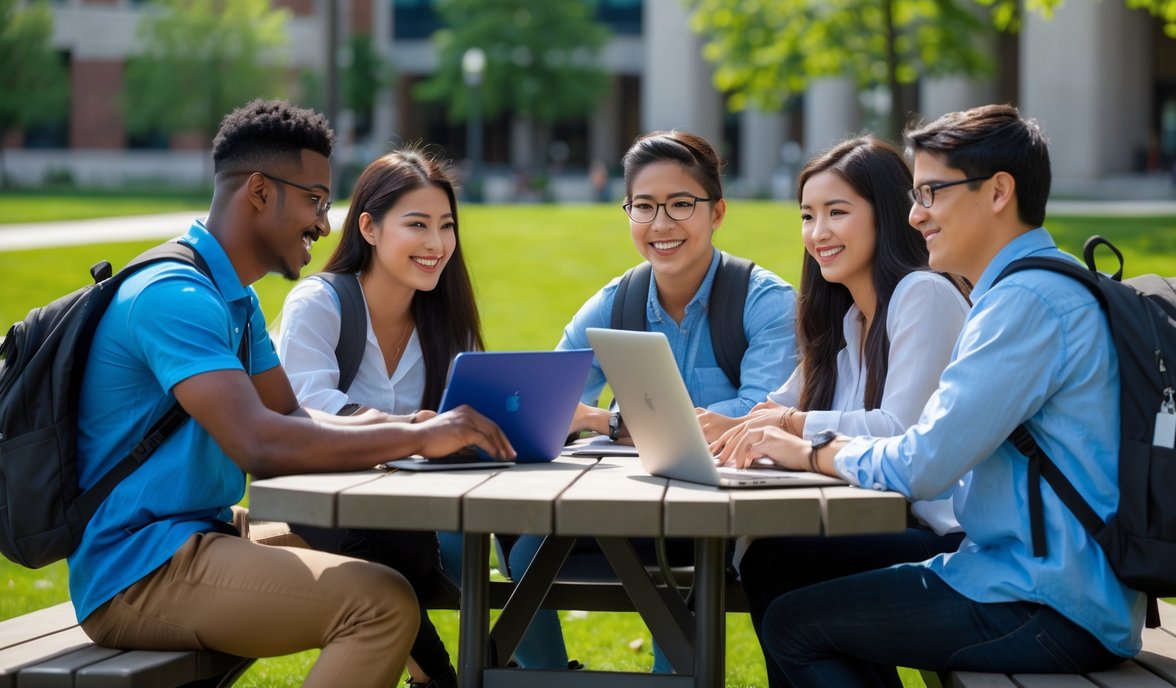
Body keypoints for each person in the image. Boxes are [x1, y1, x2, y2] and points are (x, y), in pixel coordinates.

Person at [69, 99, 514, 688]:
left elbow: (292, 414)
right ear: (259, 191)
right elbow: (259, 443)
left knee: (367, 554)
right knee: (378, 604)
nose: (325, 224)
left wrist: (414, 429)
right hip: (138, 566)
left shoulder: (235, 300)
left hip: (203, 534)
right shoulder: (173, 297)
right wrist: (420, 435)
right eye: (315, 200)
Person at [725, 105, 1145, 685]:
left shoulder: (1028, 304)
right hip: (1025, 577)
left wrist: (812, 449)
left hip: (1048, 602)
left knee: (795, 625)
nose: (916, 216)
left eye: (930, 194)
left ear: (999, 192)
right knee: (784, 571)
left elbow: (923, 462)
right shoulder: (1025, 290)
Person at [705, 136, 970, 688]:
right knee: (766, 559)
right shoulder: (847, 322)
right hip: (883, 522)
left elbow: (900, 429)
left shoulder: (924, 295)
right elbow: (774, 408)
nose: (817, 233)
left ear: (888, 214)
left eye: (836, 212)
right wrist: (717, 427)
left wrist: (788, 427)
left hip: (945, 537)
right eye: (807, 216)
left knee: (772, 561)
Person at [546, 130, 799, 673]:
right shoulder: (618, 301)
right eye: (643, 207)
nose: (660, 225)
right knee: (523, 550)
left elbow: (760, 417)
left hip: (731, 515)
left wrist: (608, 422)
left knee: (685, 572)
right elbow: (551, 393)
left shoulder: (766, 303)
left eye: (681, 204)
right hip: (635, 507)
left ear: (717, 212)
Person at [276, 148, 484, 687]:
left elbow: (463, 413)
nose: (437, 244)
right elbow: (305, 408)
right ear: (368, 227)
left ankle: (505, 673)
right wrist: (411, 430)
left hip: (414, 511)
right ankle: (442, 678)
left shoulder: (444, 319)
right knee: (397, 548)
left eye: (446, 226)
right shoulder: (320, 304)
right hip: (323, 505)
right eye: (417, 224)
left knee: (512, 545)